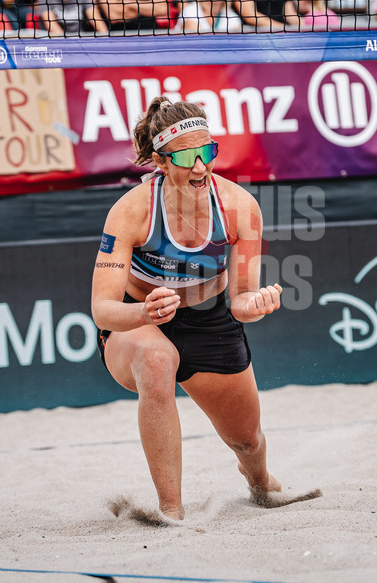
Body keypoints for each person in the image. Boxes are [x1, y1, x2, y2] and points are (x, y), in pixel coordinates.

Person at [90, 97, 286, 521]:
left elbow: (241, 301)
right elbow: (102, 310)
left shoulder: (238, 207)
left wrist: (258, 304)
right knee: (157, 359)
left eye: (208, 152)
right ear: (161, 160)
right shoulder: (131, 211)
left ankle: (259, 482)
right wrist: (144, 314)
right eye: (185, 156)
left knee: (247, 440)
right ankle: (171, 512)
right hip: (137, 320)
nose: (200, 167)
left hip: (208, 318)